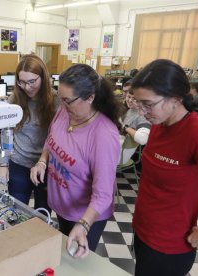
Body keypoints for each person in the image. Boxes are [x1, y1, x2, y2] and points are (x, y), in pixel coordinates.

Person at [130, 59, 198, 276]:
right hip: (143, 232)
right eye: (138, 103)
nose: (142, 112)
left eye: (148, 104)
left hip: (169, 248)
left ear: (176, 99)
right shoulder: (160, 124)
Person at [30, 64, 121, 258]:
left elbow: (103, 194)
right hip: (63, 206)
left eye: (67, 101)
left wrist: (83, 225)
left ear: (90, 97)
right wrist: (42, 161)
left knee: (75, 262)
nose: (62, 105)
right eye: (60, 98)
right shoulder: (66, 112)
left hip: (85, 216)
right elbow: (51, 138)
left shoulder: (103, 134)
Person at [0, 54, 59, 211]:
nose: (27, 87)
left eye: (32, 81)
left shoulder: (55, 101)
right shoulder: (15, 98)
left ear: (43, 78)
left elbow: (57, 137)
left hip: (45, 166)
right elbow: (7, 132)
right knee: (16, 211)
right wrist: (3, 164)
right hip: (18, 164)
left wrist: (43, 162)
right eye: (22, 82)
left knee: (42, 213)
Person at [120, 80, 150, 164]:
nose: (129, 100)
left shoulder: (142, 116)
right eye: (128, 97)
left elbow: (143, 139)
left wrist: (125, 127)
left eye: (134, 99)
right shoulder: (130, 110)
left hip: (120, 155)